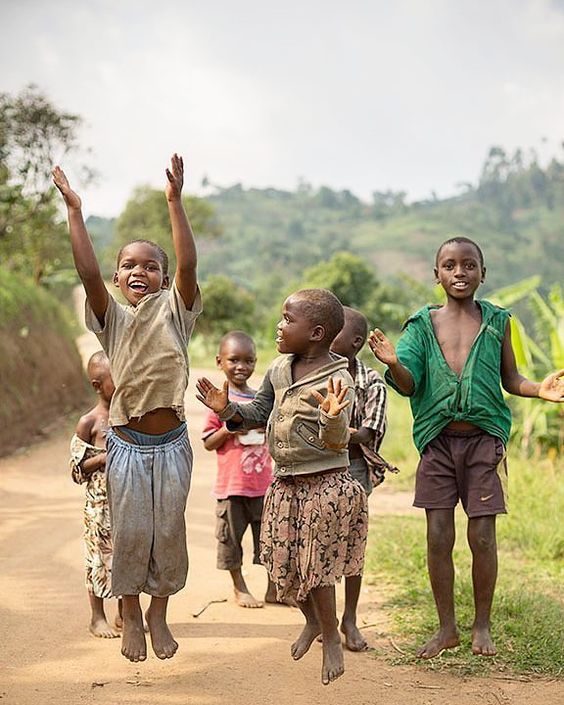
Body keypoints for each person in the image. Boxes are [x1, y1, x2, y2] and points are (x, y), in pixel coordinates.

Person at [368, 236, 564, 660]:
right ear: (436, 275)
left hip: (484, 441)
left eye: (469, 265)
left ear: (482, 273)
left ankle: (482, 625)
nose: (460, 272)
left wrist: (539, 390)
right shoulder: (420, 325)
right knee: (438, 536)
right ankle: (446, 629)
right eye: (451, 265)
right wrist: (394, 364)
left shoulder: (497, 321)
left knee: (483, 536)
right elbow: (410, 386)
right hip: (437, 443)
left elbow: (510, 379)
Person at [53, 154, 202, 663]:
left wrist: (175, 202)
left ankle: (160, 612)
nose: (140, 270)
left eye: (150, 265)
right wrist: (75, 211)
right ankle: (132, 613)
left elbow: (188, 264)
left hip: (173, 443)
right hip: (126, 445)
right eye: (130, 265)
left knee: (169, 532)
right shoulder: (110, 321)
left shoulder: (177, 311)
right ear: (117, 279)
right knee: (132, 532)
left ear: (162, 277)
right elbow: (86, 270)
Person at [196, 289, 368, 686]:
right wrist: (226, 409)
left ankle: (331, 639)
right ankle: (311, 621)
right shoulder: (278, 369)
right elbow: (257, 414)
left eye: (288, 320)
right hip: (285, 482)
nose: (279, 325)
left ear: (316, 332)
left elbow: (336, 440)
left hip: (324, 484)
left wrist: (333, 419)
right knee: (280, 563)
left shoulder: (338, 379)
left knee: (315, 568)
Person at [330, 306, 394, 651]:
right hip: (317, 466)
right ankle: (321, 620)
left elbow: (368, 431)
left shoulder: (371, 382)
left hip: (353, 469)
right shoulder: (309, 371)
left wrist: (332, 431)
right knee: (319, 542)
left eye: (334, 329)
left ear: (355, 342)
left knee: (352, 544)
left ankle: (349, 618)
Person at [202, 331, 274, 608]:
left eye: (248, 360)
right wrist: (231, 424)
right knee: (231, 540)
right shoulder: (218, 401)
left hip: (262, 485)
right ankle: (239, 587)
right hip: (232, 486)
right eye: (234, 360)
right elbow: (209, 442)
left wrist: (257, 422)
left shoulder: (259, 399)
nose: (241, 366)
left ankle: (274, 589)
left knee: (269, 539)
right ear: (220, 361)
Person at [70, 351, 122, 638]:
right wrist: (102, 459)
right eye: (117, 378)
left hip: (126, 503)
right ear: (97, 385)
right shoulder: (89, 423)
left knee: (127, 557)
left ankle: (125, 615)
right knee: (97, 560)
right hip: (99, 508)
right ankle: (97, 616)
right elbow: (76, 469)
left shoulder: (130, 417)